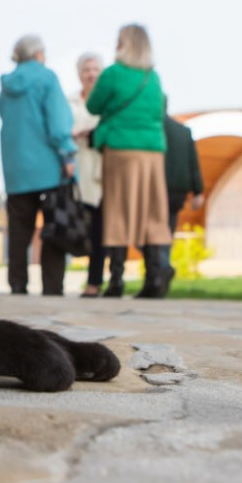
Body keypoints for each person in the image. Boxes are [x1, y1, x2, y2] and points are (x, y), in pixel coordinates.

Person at [86, 25, 172, 299]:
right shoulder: (153, 78)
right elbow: (159, 111)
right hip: (152, 152)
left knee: (118, 211)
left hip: (121, 149)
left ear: (124, 44)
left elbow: (92, 105)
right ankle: (154, 278)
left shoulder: (113, 74)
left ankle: (117, 280)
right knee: (153, 213)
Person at [0, 35, 77, 296]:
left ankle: (17, 284)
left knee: (19, 230)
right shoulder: (47, 78)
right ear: (39, 54)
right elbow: (58, 122)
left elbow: (3, 115)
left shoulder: (7, 85)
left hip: (15, 169)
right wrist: (67, 155)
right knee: (54, 227)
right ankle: (52, 287)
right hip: (48, 168)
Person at [69, 53, 106, 298]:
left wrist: (91, 133)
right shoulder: (69, 101)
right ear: (79, 73)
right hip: (75, 169)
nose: (91, 74)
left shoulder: (107, 101)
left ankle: (94, 282)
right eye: (86, 69)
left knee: (99, 229)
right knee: (72, 226)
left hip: (100, 171)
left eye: (95, 69)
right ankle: (56, 281)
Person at [163, 112, 205, 235]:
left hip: (156, 188)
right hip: (177, 191)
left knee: (150, 229)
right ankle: (165, 246)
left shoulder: (154, 129)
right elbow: (193, 163)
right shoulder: (183, 131)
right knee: (169, 226)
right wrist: (197, 191)